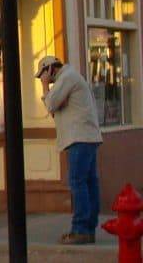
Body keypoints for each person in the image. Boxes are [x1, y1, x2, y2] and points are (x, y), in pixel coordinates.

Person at [37, 55, 103, 245]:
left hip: (78, 138)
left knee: (78, 182)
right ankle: (89, 227)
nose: (44, 80)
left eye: (43, 75)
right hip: (87, 136)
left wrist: (44, 88)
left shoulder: (66, 78)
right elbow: (55, 106)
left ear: (50, 69)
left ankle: (80, 229)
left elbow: (50, 104)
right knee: (89, 182)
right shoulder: (72, 77)